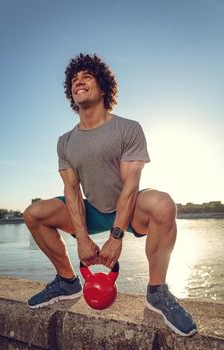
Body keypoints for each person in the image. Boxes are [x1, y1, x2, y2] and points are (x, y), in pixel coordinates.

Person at [23, 53, 197, 337]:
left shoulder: (128, 128)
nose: (78, 82)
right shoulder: (65, 141)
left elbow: (131, 185)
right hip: (91, 209)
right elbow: (71, 191)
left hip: (128, 209)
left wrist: (116, 238)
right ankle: (67, 281)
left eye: (86, 77)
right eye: (74, 80)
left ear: (103, 88)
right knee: (33, 214)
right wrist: (81, 238)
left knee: (164, 204)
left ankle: (157, 292)